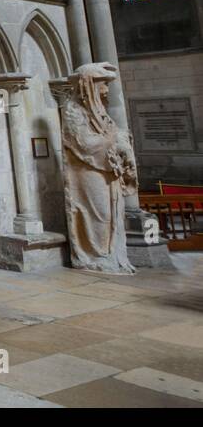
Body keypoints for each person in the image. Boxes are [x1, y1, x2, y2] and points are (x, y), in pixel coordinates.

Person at [59, 62, 137, 274]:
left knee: (113, 212)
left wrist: (120, 140)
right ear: (89, 85)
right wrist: (113, 139)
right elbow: (83, 143)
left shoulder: (100, 112)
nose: (106, 89)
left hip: (106, 170)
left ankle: (111, 255)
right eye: (103, 84)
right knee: (99, 213)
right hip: (88, 169)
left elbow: (111, 133)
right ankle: (95, 254)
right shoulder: (73, 110)